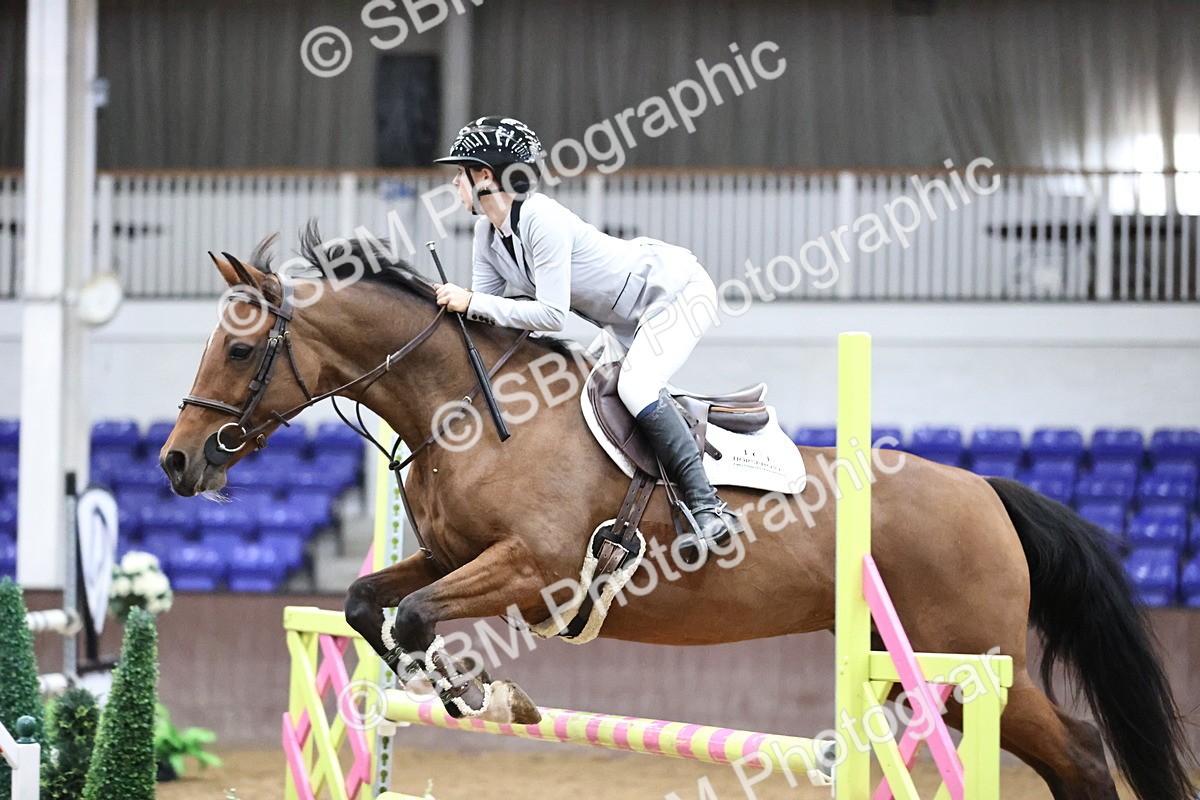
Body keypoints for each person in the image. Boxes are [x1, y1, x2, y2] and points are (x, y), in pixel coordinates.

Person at [432, 116, 739, 564]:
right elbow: (487, 317)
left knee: (636, 387)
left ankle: (708, 507)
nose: (455, 183)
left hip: (674, 293)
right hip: (619, 322)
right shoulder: (487, 234)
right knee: (582, 393)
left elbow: (549, 315)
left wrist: (470, 301)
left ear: (485, 175)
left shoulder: (541, 218)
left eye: (461, 173)